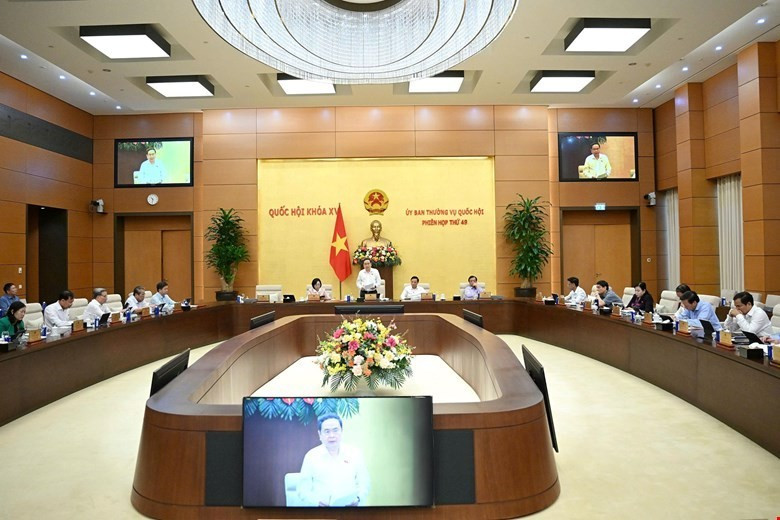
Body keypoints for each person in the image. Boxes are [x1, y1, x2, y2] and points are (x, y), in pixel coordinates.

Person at [297, 413, 370, 507]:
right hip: (321, 512)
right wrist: (317, 502)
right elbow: (302, 490)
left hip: (350, 511)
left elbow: (364, 483)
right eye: (327, 431)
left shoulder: (355, 453)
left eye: (335, 430)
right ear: (320, 434)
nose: (332, 435)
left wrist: (358, 499)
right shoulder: (311, 456)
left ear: (341, 431)